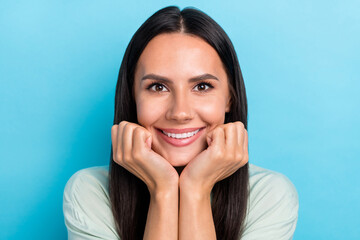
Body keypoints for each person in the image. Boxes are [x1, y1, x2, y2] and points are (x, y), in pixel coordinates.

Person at [63, 6, 298, 240]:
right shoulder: (91, 191)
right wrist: (162, 190)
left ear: (230, 98)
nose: (180, 112)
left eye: (202, 86)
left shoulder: (269, 195)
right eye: (158, 87)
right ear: (132, 97)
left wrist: (196, 188)